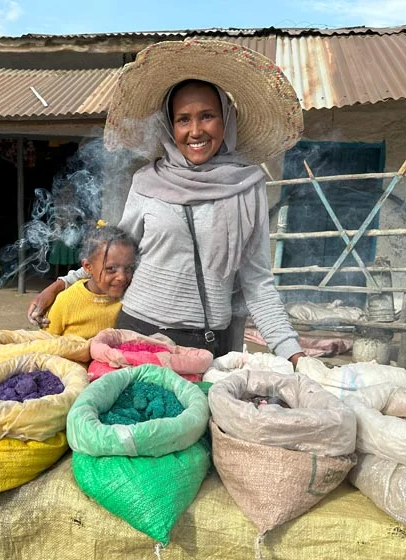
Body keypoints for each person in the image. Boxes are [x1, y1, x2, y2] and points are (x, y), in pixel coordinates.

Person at [29, 40, 305, 365]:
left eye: (207, 116)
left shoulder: (247, 187)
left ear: (226, 120)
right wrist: (61, 284)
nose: (195, 130)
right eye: (183, 119)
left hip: (205, 345)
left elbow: (257, 282)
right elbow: (115, 251)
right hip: (137, 332)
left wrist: (294, 354)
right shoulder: (147, 182)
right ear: (170, 127)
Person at [45, 224, 137, 339]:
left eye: (128, 268)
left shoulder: (129, 301)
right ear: (88, 267)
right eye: (111, 269)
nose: (122, 277)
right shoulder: (66, 301)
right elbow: (46, 343)